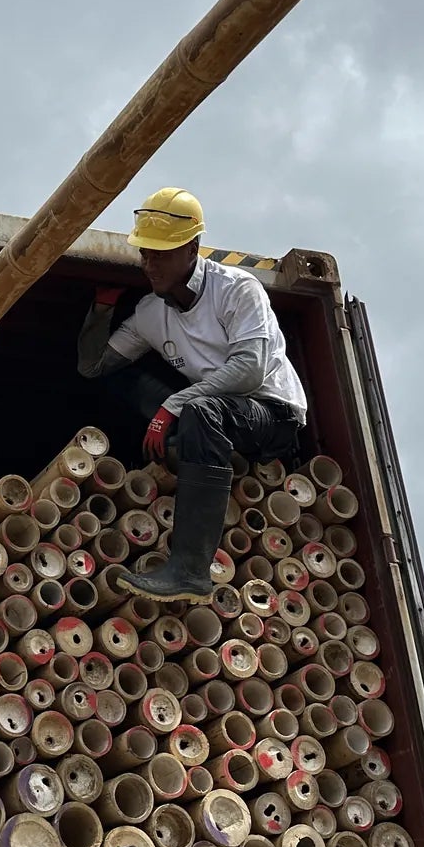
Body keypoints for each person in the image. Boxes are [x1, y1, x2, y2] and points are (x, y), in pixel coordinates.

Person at [77, 186, 308, 603]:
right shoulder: (150, 312)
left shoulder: (238, 289)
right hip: (215, 413)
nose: (150, 265)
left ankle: (189, 571)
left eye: (161, 254)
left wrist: (172, 405)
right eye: (145, 254)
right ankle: (183, 462)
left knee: (200, 410)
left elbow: (250, 368)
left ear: (193, 247)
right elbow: (94, 367)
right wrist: (102, 308)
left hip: (272, 414)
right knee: (122, 384)